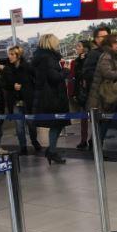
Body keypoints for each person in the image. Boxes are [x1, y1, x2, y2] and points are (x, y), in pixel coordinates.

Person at [31, 34, 70, 164]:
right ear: (50, 43)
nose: (57, 44)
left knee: (57, 123)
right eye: (56, 41)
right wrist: (65, 70)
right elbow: (54, 77)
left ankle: (51, 150)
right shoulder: (48, 58)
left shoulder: (40, 57)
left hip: (47, 96)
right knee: (57, 123)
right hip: (53, 96)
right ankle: (52, 151)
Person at [3, 45, 40, 155]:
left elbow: (36, 80)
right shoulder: (7, 69)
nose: (10, 57)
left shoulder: (28, 67)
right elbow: (3, 84)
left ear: (18, 55)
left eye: (12, 54)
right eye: (9, 54)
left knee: (31, 125)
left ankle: (34, 141)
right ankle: (22, 146)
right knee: (19, 127)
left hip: (28, 100)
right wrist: (12, 86)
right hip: (15, 101)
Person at [70, 40, 91, 149]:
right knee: (83, 118)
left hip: (91, 92)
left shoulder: (90, 59)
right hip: (82, 92)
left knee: (94, 117)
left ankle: (94, 139)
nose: (76, 48)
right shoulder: (77, 61)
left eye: (79, 46)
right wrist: (75, 93)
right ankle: (83, 140)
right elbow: (76, 77)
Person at [82, 24, 111, 91]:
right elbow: (87, 73)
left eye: (107, 36)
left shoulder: (111, 52)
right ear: (96, 39)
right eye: (103, 36)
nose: (106, 38)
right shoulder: (93, 54)